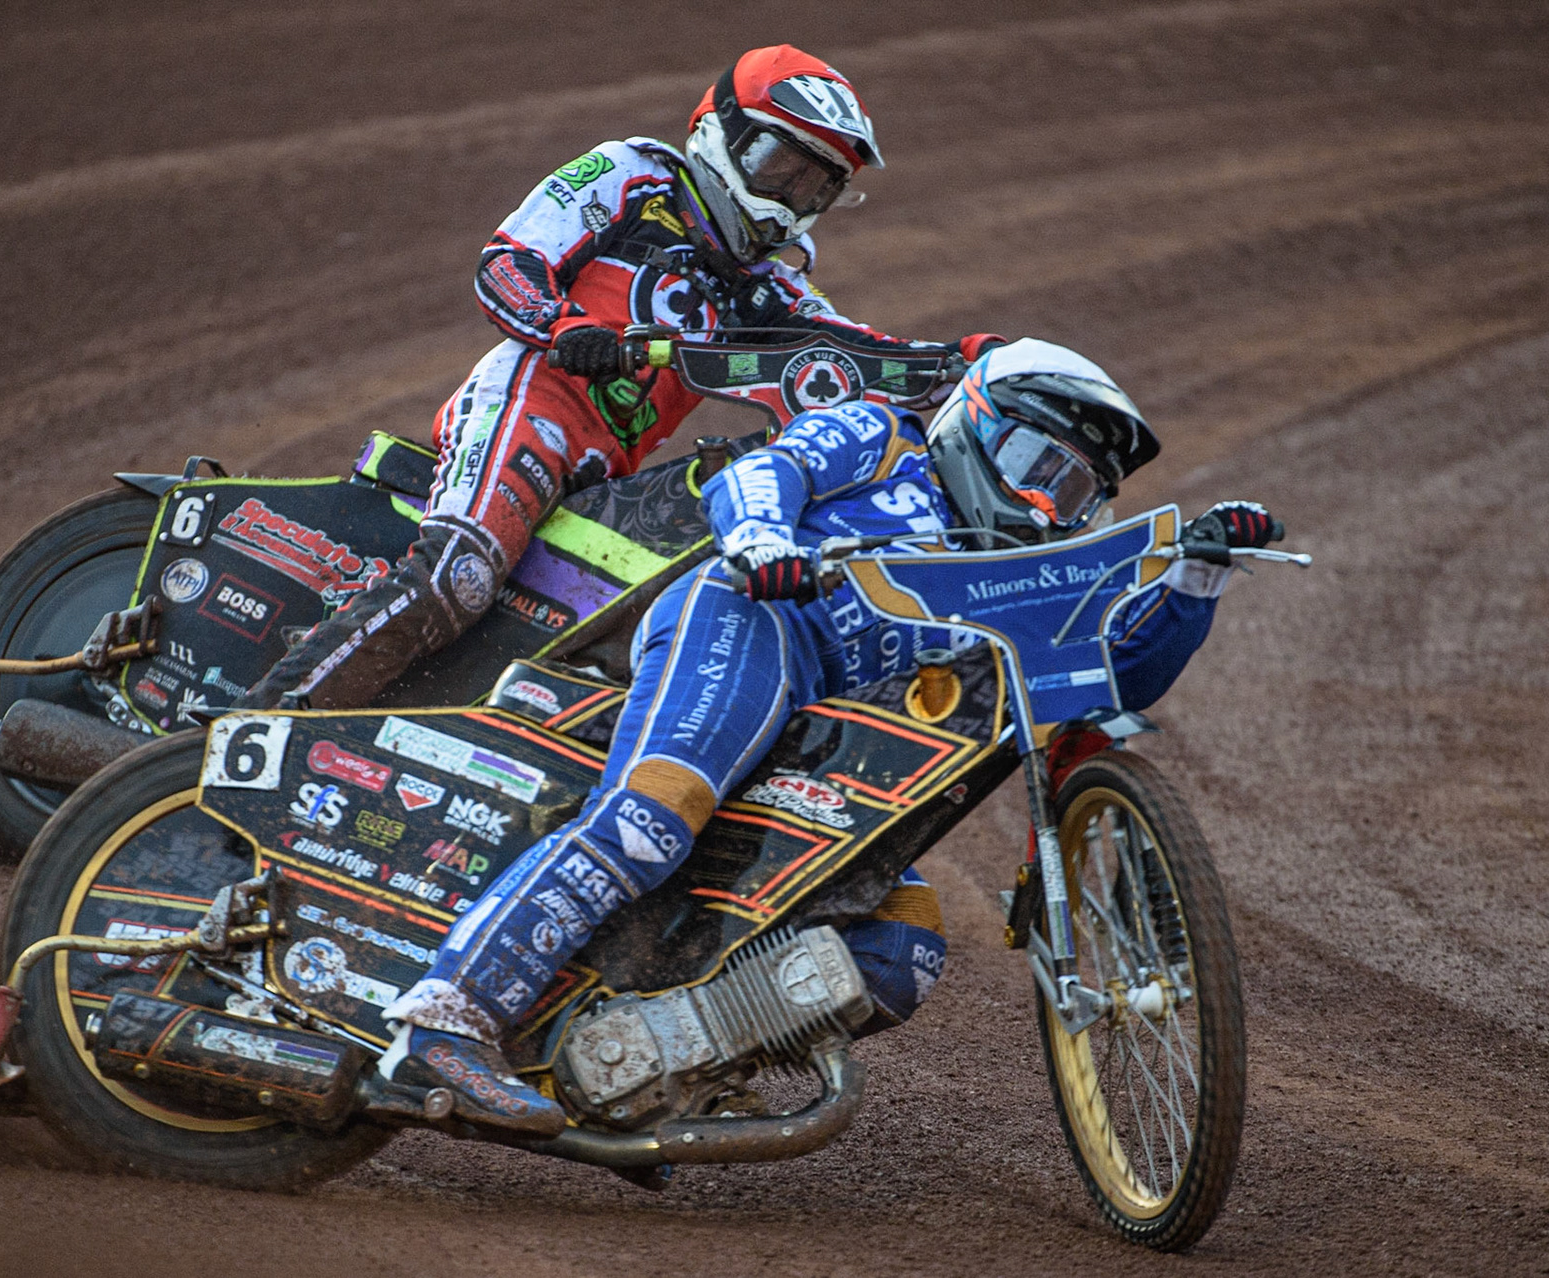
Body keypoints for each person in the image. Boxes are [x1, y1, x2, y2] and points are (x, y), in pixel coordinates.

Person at [377, 339, 1284, 1135]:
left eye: (1076, 492)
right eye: (1034, 464)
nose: (1047, 506)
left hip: (821, 739)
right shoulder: (883, 434)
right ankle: (445, 1018)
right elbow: (763, 473)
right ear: (974, 422)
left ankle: (637, 1056)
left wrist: (1196, 577)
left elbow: (1111, 677)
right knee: (653, 818)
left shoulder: (1013, 576)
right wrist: (765, 541)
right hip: (751, 623)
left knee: (905, 944)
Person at [235, 45, 1002, 712]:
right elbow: (507, 264)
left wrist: (966, 363)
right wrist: (570, 331)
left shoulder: (772, 290)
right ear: (719, 132)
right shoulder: (634, 175)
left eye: (814, 186)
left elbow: (857, 361)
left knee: (610, 644)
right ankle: (253, 724)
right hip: (533, 405)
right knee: (460, 576)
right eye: (781, 167)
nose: (790, 200)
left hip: (607, 480)